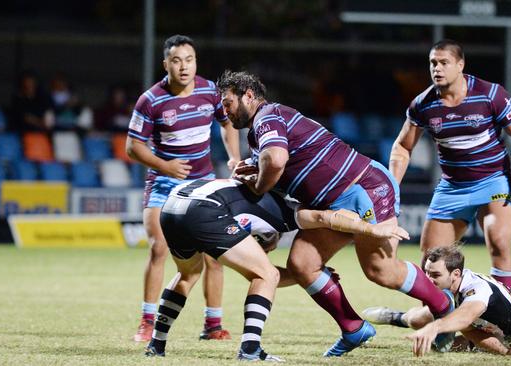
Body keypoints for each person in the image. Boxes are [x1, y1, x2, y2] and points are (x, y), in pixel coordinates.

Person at [217, 70, 455, 357]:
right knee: (303, 264)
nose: (224, 110)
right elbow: (281, 165)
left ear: (249, 96)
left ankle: (444, 309)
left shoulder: (266, 117)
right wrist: (256, 169)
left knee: (381, 270)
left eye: (228, 102)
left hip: (364, 188)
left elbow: (277, 161)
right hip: (332, 202)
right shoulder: (263, 129)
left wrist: (257, 184)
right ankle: (354, 328)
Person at [144, 178, 410, 360]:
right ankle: (250, 350)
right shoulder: (285, 212)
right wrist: (372, 228)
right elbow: (323, 217)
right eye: (270, 244)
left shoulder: (253, 198)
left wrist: (301, 274)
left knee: (188, 274)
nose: (271, 247)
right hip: (204, 211)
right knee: (265, 274)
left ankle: (156, 345)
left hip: (172, 206)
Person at [388, 39, 511, 290]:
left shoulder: (490, 94)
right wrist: (392, 187)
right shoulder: (423, 104)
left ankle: (502, 312)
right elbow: (402, 146)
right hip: (452, 187)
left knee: (499, 241)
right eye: (433, 63)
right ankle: (443, 322)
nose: (437, 68)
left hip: (494, 180)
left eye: (444, 63)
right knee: (431, 260)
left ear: (460, 65)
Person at [126, 35, 241, 342]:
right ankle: (147, 322)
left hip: (201, 186)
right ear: (166, 64)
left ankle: (213, 325)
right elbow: (132, 147)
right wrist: (166, 167)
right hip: (163, 184)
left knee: (215, 255)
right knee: (158, 249)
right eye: (176, 61)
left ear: (195, 62)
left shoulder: (209, 91)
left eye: (189, 60)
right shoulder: (151, 99)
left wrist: (234, 158)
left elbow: (227, 122)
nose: (183, 66)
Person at [363, 245, 511, 357]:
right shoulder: (456, 283)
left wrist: (434, 328)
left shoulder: (477, 289)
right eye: (426, 273)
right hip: (477, 322)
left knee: (441, 346)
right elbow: (465, 321)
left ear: (456, 274)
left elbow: (465, 317)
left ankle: (500, 350)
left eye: (435, 275)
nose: (428, 280)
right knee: (415, 320)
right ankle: (396, 317)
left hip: (508, 335)